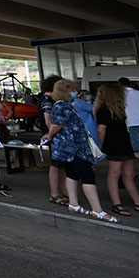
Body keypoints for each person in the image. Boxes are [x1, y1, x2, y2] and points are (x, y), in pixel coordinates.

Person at [42, 79, 116, 222]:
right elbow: (56, 125)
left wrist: (50, 136)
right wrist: (49, 135)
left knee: (72, 174)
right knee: (87, 175)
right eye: (72, 89)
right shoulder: (63, 106)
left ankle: (74, 204)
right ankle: (97, 210)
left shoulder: (62, 105)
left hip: (68, 148)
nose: (75, 92)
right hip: (73, 148)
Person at [95, 84, 139, 216]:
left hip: (119, 143)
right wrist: (103, 146)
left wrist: (103, 145)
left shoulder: (113, 109)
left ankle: (135, 203)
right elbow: (101, 130)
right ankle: (120, 203)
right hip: (117, 143)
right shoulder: (108, 110)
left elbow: (101, 130)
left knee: (126, 174)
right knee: (118, 174)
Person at [39, 75, 68, 206]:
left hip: (55, 136)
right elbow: (48, 121)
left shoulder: (48, 99)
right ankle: (55, 193)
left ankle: (65, 191)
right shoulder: (48, 100)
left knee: (61, 166)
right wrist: (51, 134)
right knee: (56, 166)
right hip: (55, 137)